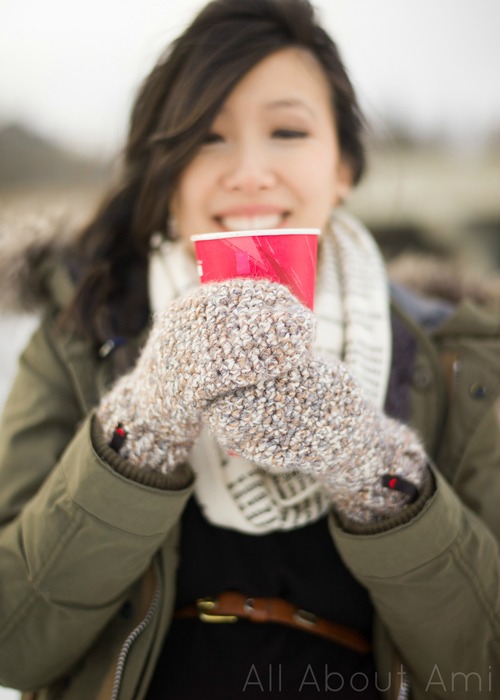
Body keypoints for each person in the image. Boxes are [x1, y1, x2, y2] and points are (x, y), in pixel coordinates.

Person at [0, 0, 499, 698]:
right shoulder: (79, 335)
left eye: (288, 130)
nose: (249, 171)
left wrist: (373, 467)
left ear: (344, 168)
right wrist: (140, 427)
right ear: (166, 175)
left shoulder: (461, 361)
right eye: (208, 138)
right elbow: (12, 644)